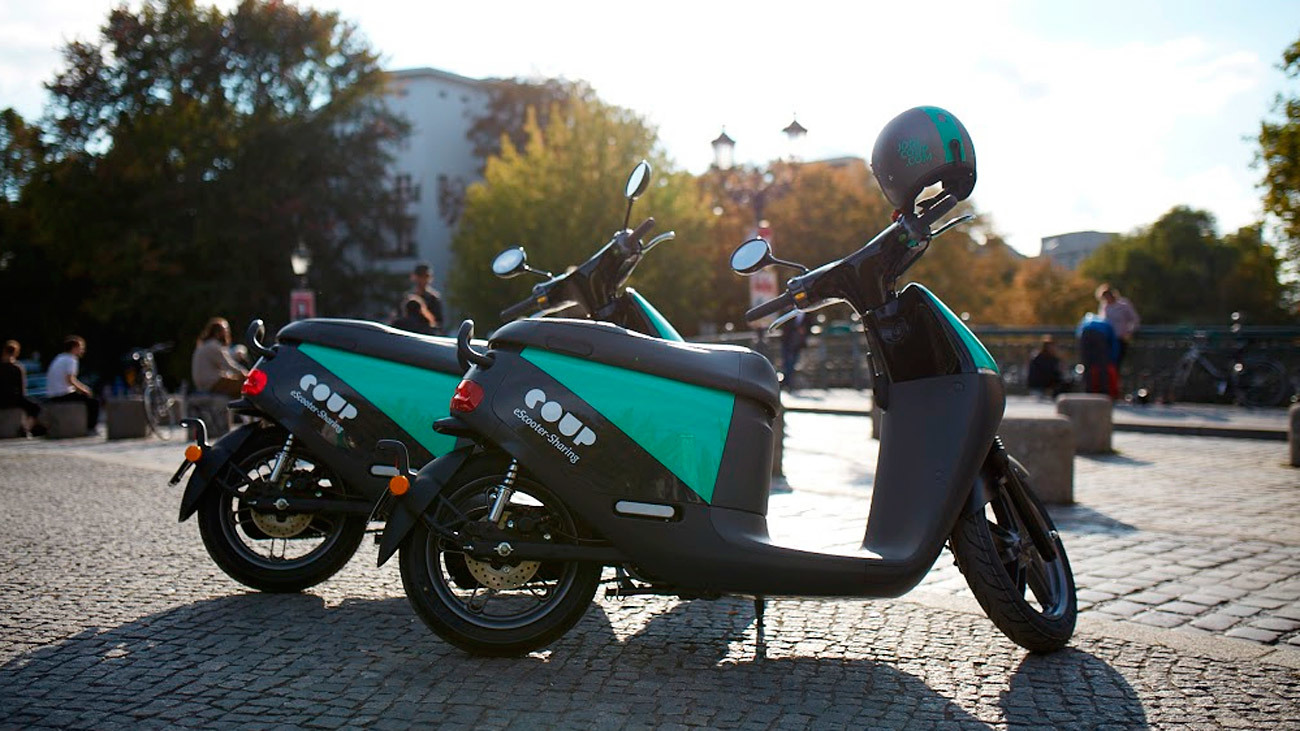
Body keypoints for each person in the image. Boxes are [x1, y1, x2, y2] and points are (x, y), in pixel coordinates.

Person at [46, 335, 100, 432]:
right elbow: (70, 380)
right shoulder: (71, 359)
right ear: (74, 348)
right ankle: (91, 427)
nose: (82, 350)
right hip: (62, 395)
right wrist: (85, 389)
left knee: (84, 398)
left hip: (53, 394)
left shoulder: (59, 357)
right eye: (81, 348)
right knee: (93, 402)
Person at [191, 318, 249, 397]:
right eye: (225, 331)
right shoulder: (214, 346)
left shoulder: (204, 345)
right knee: (246, 384)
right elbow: (228, 365)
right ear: (218, 332)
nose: (227, 333)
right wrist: (246, 373)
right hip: (212, 383)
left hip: (202, 384)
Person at [0, 340, 46, 436]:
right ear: (16, 353)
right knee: (36, 408)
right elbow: (22, 389)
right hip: (14, 398)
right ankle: (26, 428)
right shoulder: (17, 368)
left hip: (1, 399)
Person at [1096, 284, 1139, 370]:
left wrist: (1129, 331)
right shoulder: (1104, 306)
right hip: (1107, 339)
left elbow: (1135, 319)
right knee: (1106, 364)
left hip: (1120, 338)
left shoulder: (1123, 304)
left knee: (1117, 363)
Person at [1076, 314, 1119, 399]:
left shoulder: (1086, 320)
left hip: (1085, 334)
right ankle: (1104, 391)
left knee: (1087, 365)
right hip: (1100, 335)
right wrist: (1113, 359)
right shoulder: (1106, 324)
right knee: (1102, 366)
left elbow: (1078, 333)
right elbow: (1114, 344)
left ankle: (1088, 390)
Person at [779, 311, 812, 391]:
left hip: (798, 343)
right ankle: (787, 383)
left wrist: (803, 330)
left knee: (793, 363)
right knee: (787, 363)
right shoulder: (790, 311)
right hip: (787, 341)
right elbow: (784, 325)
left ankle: (789, 383)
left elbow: (809, 327)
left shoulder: (808, 314)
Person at [409, 263, 444, 335]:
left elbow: (438, 323)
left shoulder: (433, 298)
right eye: (420, 276)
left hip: (427, 335)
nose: (422, 279)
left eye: (426, 276)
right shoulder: (408, 297)